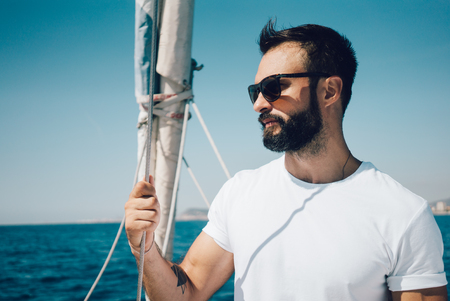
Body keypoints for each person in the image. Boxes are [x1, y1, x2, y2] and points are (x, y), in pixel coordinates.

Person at [125, 20, 448, 300]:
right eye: (256, 91)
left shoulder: (403, 214)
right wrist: (145, 248)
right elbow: (186, 294)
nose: (259, 104)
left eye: (274, 87)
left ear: (329, 90)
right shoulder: (240, 192)